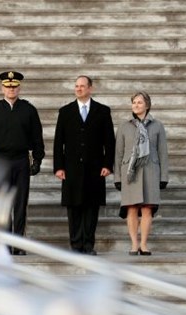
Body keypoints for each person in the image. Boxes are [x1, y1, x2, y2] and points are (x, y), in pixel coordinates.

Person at [0, 70, 45, 256]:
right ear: (2, 88)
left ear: (19, 87)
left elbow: (37, 137)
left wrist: (38, 159)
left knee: (20, 203)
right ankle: (5, 243)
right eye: (8, 86)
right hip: (1, 160)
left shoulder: (29, 109)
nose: (11, 89)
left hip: (21, 160)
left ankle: (19, 243)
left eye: (14, 86)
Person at [53, 75, 115, 255]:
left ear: (90, 88)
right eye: (76, 86)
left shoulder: (103, 111)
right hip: (71, 169)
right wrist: (58, 166)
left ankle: (88, 245)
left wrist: (107, 164)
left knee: (91, 207)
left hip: (95, 168)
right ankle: (75, 245)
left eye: (82, 86)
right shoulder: (65, 112)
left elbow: (109, 141)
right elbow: (59, 142)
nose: (78, 89)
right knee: (74, 208)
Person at [113, 91, 169, 256]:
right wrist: (118, 177)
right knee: (131, 209)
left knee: (147, 209)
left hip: (151, 171)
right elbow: (118, 153)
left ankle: (144, 244)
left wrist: (163, 176)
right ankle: (133, 244)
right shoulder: (124, 126)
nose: (136, 105)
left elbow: (163, 152)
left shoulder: (157, 126)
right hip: (130, 173)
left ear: (147, 105)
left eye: (139, 102)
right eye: (134, 102)